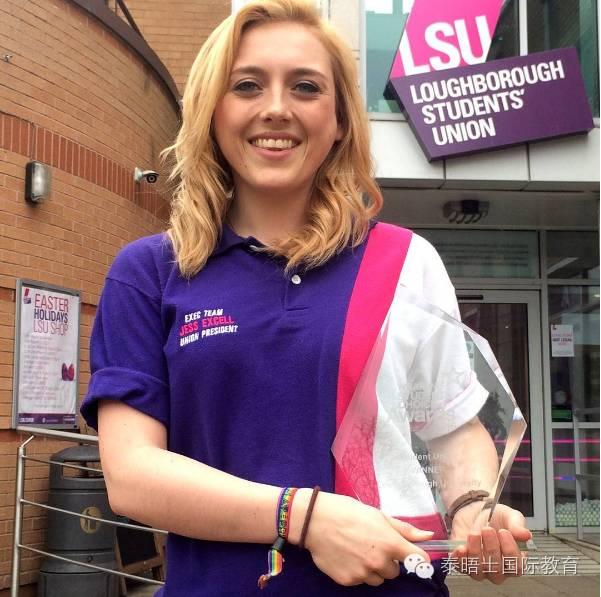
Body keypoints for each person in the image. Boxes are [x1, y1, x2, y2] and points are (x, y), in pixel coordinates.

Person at [80, 1, 531, 595]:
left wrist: (473, 506)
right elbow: (132, 475)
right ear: (213, 111)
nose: (276, 108)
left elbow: (452, 427)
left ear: (339, 119)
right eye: (246, 85)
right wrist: (305, 517)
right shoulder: (149, 272)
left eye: (306, 87)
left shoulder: (405, 260)